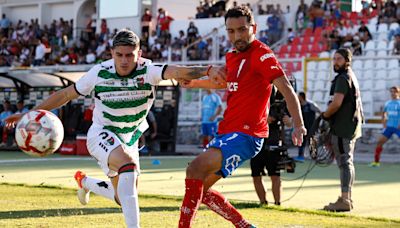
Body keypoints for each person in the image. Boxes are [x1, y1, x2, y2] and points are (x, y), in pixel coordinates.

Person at [5, 29, 226, 228]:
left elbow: (178, 71)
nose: (124, 61)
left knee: (124, 196)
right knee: (127, 168)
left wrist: (208, 69)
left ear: (138, 54)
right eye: (119, 55)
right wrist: (29, 114)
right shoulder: (99, 73)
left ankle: (86, 182)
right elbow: (64, 95)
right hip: (102, 133)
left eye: (129, 55)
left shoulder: (148, 70)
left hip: (129, 139)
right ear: (112, 53)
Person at [178, 6, 306, 227]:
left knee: (194, 169)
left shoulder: (262, 54)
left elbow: (286, 89)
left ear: (253, 28)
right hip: (228, 130)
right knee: (201, 190)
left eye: (242, 30)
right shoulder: (232, 56)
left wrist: (298, 124)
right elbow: (225, 83)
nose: (236, 36)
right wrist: (194, 83)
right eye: (231, 31)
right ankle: (246, 226)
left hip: (247, 134)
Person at [321, 48, 363, 212]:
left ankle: (345, 199)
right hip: (351, 125)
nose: (335, 62)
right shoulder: (351, 76)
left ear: (347, 61)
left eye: (339, 59)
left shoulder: (342, 78)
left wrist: (325, 115)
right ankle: (347, 197)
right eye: (334, 59)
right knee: (348, 162)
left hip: (343, 126)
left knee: (344, 163)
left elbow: (337, 103)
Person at [250, 89, 293, 206]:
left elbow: (289, 121)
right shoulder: (253, 100)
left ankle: (277, 203)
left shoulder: (281, 103)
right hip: (256, 142)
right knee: (256, 175)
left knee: (275, 175)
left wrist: (288, 121)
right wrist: (263, 119)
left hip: (274, 144)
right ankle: (263, 202)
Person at [370, 86, 400, 167]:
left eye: (395, 92)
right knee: (379, 142)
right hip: (389, 127)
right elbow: (384, 113)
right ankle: (376, 162)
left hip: (398, 128)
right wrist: (384, 123)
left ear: (398, 93)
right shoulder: (388, 103)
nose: (393, 93)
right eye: (391, 92)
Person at [295, 92, 320, 162]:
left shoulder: (310, 105)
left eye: (298, 96)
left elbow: (319, 112)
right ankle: (300, 156)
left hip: (311, 127)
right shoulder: (299, 105)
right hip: (303, 127)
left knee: (312, 141)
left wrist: (317, 122)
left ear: (301, 97)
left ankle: (314, 156)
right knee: (301, 141)